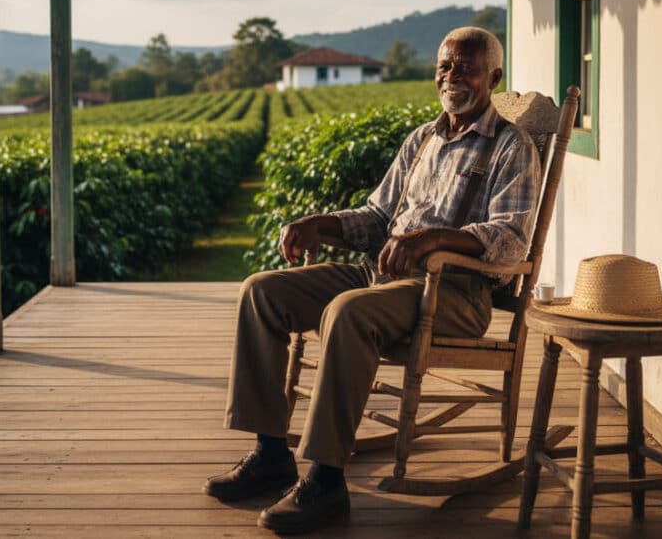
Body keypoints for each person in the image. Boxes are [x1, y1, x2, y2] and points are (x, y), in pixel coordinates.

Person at [203, 26, 541, 534]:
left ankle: (326, 480)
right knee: (261, 292)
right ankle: (271, 452)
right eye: (444, 66)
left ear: (493, 77)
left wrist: (431, 239)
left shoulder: (510, 147)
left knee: (348, 311)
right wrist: (320, 225)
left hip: (453, 293)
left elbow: (512, 239)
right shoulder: (422, 139)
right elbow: (378, 217)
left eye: (467, 67)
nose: (452, 76)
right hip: (382, 275)